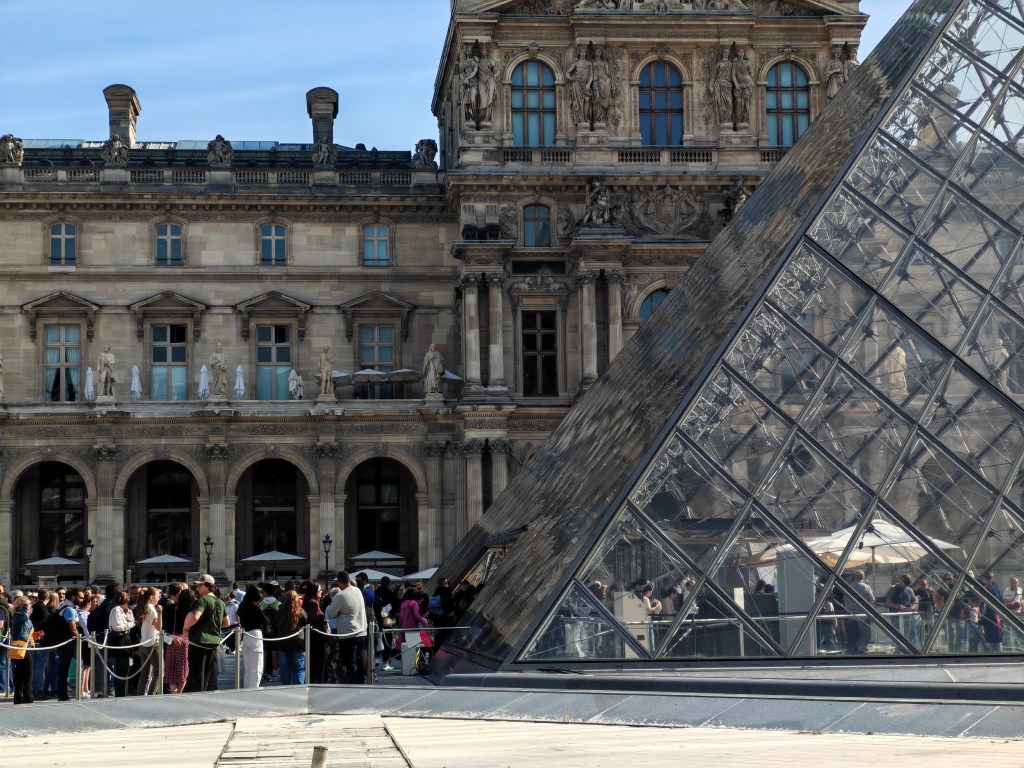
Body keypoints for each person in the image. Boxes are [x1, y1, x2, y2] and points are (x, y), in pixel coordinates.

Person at [179, 574, 227, 693]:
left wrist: (186, 627)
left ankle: (196, 696)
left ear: (208, 586)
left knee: (197, 672)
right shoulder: (220, 601)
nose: (198, 588)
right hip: (214, 641)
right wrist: (213, 625)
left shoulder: (203, 600)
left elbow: (196, 617)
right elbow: (226, 623)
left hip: (199, 640)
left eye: (200, 585)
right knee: (208, 672)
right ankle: (205, 695)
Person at [325, 571, 367, 684]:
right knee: (358, 661)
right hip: (361, 632)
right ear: (349, 579)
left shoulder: (340, 596)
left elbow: (331, 614)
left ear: (339, 582)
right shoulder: (357, 590)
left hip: (348, 634)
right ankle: (361, 684)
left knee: (350, 663)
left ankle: (353, 687)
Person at [272, 589, 308, 685]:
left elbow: (274, 627)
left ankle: (287, 690)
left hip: (282, 643)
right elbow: (307, 624)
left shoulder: (279, 612)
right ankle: (298, 690)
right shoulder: (301, 612)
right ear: (296, 598)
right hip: (297, 643)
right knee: (299, 668)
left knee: (285, 669)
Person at [236, 584, 269, 688]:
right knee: (257, 666)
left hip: (246, 634)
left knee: (248, 666)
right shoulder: (255, 606)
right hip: (255, 634)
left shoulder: (242, 605)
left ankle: (247, 688)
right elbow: (265, 621)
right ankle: (254, 688)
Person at [107, 589, 136, 698]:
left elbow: (130, 621)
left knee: (124, 668)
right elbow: (117, 627)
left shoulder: (122, 610)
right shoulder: (116, 610)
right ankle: (120, 693)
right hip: (120, 640)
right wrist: (130, 625)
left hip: (125, 639)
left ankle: (121, 692)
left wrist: (129, 613)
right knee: (121, 669)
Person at [9, 594, 33, 704]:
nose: (29, 608)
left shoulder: (26, 618)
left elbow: (27, 630)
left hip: (27, 647)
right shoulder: (18, 616)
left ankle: (27, 698)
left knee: (27, 675)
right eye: (27, 606)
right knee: (20, 675)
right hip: (19, 647)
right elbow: (24, 616)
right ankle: (19, 698)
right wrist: (25, 605)